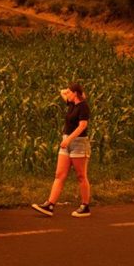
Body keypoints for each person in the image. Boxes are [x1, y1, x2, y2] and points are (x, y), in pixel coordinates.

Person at [31, 82, 92, 218]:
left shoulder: (83, 107)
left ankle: (85, 206)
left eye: (70, 92)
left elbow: (82, 126)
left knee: (81, 176)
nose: (67, 94)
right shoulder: (71, 103)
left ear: (75, 93)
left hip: (79, 143)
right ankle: (50, 205)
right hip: (67, 142)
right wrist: (69, 91)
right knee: (59, 174)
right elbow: (62, 91)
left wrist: (68, 139)